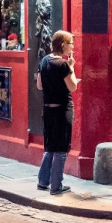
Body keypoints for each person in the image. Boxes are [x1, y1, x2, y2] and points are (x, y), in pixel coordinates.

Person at [36, 30, 79, 195]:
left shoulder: (45, 60)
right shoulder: (63, 64)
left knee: (50, 146)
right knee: (61, 148)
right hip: (62, 109)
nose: (72, 47)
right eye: (70, 44)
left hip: (48, 109)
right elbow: (73, 86)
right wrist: (72, 68)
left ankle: (43, 181)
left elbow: (39, 86)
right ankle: (56, 186)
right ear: (63, 45)